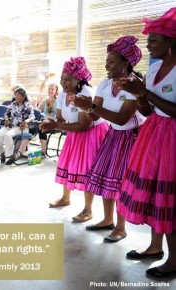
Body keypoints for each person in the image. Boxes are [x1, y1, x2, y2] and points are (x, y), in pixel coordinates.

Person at [115, 8, 176, 279]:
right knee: (153, 193)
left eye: (153, 40)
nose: (148, 45)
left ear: (170, 42)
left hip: (172, 137)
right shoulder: (152, 71)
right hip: (154, 134)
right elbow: (149, 110)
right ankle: (154, 247)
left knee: (169, 197)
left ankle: (174, 260)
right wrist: (139, 96)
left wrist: (145, 93)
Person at [74, 36, 145, 242]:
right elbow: (95, 115)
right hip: (113, 135)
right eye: (107, 61)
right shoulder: (105, 85)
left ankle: (121, 228)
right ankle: (107, 220)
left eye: (111, 61)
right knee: (106, 178)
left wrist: (92, 107)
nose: (106, 65)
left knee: (120, 182)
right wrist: (85, 107)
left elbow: (122, 119)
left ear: (125, 64)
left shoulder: (133, 86)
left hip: (131, 137)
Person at [40, 57, 109, 222]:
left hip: (91, 133)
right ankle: (65, 198)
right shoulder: (63, 94)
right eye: (62, 79)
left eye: (67, 79)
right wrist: (53, 123)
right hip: (74, 131)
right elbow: (60, 118)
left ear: (79, 79)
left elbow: (84, 125)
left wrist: (56, 125)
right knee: (67, 164)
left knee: (86, 170)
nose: (63, 83)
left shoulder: (86, 94)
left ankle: (88, 209)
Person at [0, 87, 35, 165]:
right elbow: (6, 114)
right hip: (11, 126)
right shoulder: (13, 104)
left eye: (18, 95)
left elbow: (32, 116)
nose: (15, 97)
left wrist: (25, 122)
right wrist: (6, 119)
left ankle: (11, 155)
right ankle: (2, 153)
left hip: (20, 127)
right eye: (15, 95)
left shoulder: (28, 105)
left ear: (23, 96)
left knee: (7, 135)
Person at [37, 82, 59, 157]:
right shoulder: (45, 101)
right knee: (39, 126)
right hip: (45, 122)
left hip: (56, 123)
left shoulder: (59, 101)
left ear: (56, 90)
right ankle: (43, 151)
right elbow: (37, 111)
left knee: (42, 127)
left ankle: (43, 151)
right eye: (49, 89)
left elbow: (60, 116)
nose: (51, 91)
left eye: (52, 89)